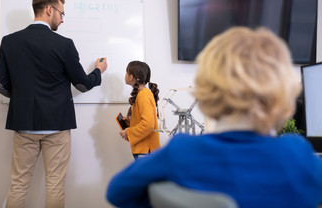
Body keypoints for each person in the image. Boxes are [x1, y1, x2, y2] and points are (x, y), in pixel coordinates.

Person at [106, 27, 322, 208]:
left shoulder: (181, 152)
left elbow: (117, 192)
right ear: (283, 95)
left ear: (207, 93)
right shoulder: (299, 156)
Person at [0, 0, 107, 208]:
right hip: (57, 127)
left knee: (18, 185)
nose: (62, 19)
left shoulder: (9, 42)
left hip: (23, 125)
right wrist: (98, 70)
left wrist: (21, 98)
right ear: (49, 9)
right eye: (61, 13)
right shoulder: (64, 44)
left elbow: (1, 85)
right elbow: (82, 84)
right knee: (55, 185)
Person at [119, 61, 160, 160]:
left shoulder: (143, 95)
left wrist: (129, 132)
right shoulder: (142, 94)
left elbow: (148, 124)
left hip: (146, 150)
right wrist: (130, 122)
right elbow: (145, 120)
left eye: (126, 72)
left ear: (131, 77)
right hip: (144, 149)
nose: (125, 75)